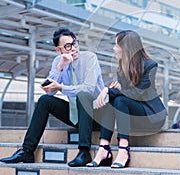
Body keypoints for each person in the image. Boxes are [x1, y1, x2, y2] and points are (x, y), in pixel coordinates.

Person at [0, 27, 105, 167]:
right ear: (59, 50)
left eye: (74, 43)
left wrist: (61, 87)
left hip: (98, 115)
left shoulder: (90, 58)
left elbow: (89, 88)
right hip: (77, 116)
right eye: (68, 46)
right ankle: (27, 150)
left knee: (82, 95)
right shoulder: (58, 61)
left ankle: (84, 152)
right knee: (44, 101)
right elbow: (49, 91)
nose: (73, 48)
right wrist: (60, 67)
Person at [86, 30, 167, 168]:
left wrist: (108, 90)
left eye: (117, 45)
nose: (114, 48)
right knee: (113, 100)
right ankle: (103, 147)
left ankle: (123, 150)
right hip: (133, 116)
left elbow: (136, 93)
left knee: (117, 99)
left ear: (127, 47)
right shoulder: (121, 67)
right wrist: (116, 90)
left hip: (151, 117)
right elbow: (125, 93)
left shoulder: (150, 65)